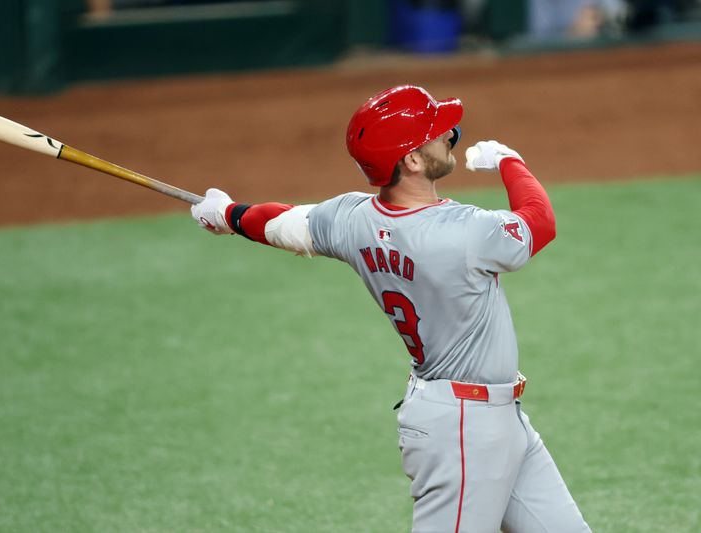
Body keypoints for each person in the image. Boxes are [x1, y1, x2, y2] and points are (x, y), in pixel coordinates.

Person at [190, 85, 591, 532]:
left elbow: (281, 222)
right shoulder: (461, 233)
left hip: (490, 419)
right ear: (413, 161)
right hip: (462, 429)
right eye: (436, 133)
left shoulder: (351, 220)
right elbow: (540, 221)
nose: (450, 133)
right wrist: (509, 161)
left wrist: (226, 215)